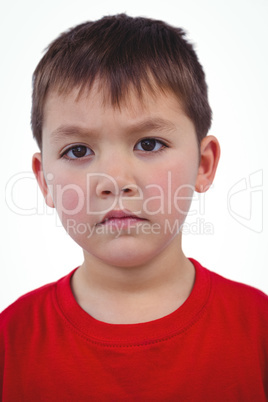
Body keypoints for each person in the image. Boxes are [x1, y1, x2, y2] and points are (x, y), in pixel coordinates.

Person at [0, 14, 267, 401]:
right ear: (45, 181)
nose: (113, 179)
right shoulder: (11, 340)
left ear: (204, 165)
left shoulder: (258, 329)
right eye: (78, 150)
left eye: (148, 144)